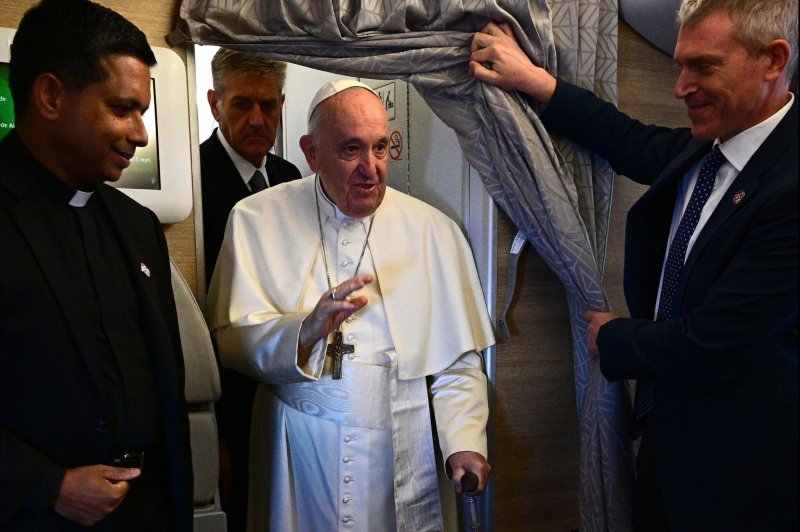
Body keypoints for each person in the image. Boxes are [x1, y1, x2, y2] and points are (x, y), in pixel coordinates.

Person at [471, 0, 797, 530]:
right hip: (668, 446)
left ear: (772, 60)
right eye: (679, 66)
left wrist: (614, 337)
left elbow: (710, 345)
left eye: (704, 67)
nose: (681, 87)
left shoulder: (789, 184)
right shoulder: (713, 147)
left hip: (742, 476)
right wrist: (535, 82)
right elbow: (626, 139)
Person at [208, 79, 494, 531]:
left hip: (403, 448)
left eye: (380, 148)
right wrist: (304, 330)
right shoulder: (254, 219)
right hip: (298, 449)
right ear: (311, 152)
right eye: (350, 150)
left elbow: (456, 361)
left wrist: (464, 442)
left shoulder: (433, 231)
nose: (372, 168)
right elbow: (229, 344)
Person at [0, 0, 193, 530]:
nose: (140, 134)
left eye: (143, 113)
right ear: (50, 96)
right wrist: (48, 487)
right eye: (121, 108)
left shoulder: (136, 226)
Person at [200, 47, 301, 531]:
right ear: (214, 103)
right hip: (228, 390)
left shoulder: (291, 178)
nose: (258, 119)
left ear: (282, 103)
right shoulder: (195, 180)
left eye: (269, 105)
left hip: (290, 380)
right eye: (242, 104)